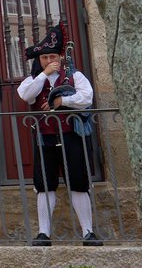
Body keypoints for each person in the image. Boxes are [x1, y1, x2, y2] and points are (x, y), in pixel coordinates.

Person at [17, 24, 102, 247]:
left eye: (52, 56)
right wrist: (44, 75)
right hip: (44, 137)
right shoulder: (33, 79)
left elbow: (86, 97)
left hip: (71, 135)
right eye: (44, 57)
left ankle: (88, 232)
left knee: (78, 182)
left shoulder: (75, 75)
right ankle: (44, 233)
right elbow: (26, 95)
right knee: (44, 184)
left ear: (61, 57)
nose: (48, 61)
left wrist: (62, 101)